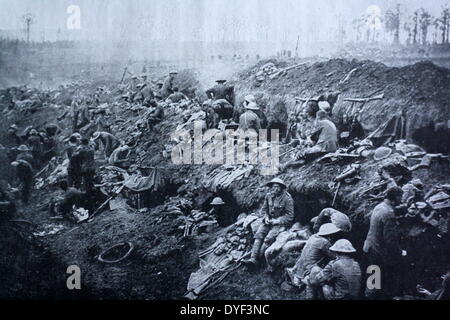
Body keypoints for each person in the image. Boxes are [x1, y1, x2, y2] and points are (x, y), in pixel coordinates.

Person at [363, 186, 404, 299]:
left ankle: (369, 295)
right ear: (396, 197)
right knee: (379, 281)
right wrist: (400, 252)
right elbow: (390, 240)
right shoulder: (388, 213)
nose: (402, 200)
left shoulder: (379, 206)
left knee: (373, 277)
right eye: (401, 197)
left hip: (370, 247)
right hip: (379, 253)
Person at [243, 178, 294, 268]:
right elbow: (264, 210)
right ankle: (253, 258)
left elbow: (290, 216)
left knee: (268, 238)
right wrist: (266, 218)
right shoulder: (268, 196)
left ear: (281, 188)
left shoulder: (287, 199)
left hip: (280, 223)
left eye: (277, 187)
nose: (275, 189)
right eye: (274, 187)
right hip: (269, 221)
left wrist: (277, 221)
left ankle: (259, 260)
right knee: (259, 234)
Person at [285, 223, 340, 297]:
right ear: (329, 234)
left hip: (300, 265)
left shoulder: (313, 237)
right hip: (309, 269)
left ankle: (298, 279)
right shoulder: (324, 242)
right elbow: (334, 257)